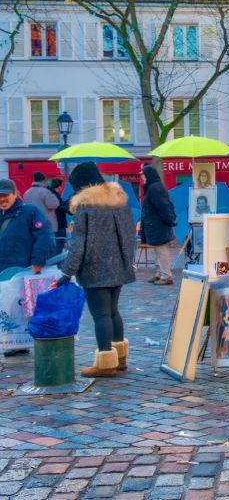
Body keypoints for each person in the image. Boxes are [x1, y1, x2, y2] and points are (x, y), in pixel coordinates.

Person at [57, 162, 136, 378]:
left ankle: (105, 363)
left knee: (101, 315)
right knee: (113, 312)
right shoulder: (121, 204)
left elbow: (78, 245)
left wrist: (66, 273)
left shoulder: (86, 208)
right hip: (118, 266)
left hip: (94, 268)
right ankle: (120, 359)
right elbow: (130, 238)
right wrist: (127, 262)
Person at [0, 178, 54, 358]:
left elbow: (43, 236)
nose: (2, 199)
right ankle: (12, 342)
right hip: (3, 268)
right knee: (6, 307)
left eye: (5, 195)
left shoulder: (30, 212)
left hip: (23, 268)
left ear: (15, 194)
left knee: (23, 307)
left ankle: (22, 342)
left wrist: (38, 261)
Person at [140, 165, 177, 285]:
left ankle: (166, 276)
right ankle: (160, 274)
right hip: (155, 225)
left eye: (144, 175)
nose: (143, 178)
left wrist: (169, 220)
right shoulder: (153, 187)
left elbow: (163, 207)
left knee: (161, 250)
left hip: (158, 225)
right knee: (158, 250)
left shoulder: (155, 188)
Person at [23, 172, 60, 236]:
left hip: (32, 224)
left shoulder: (27, 192)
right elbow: (53, 205)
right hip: (46, 224)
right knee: (49, 244)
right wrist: (53, 194)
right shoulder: (45, 192)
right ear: (43, 181)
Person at [46, 178, 68, 254]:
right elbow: (59, 208)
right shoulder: (54, 196)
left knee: (59, 243)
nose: (61, 188)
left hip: (58, 223)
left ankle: (58, 262)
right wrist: (67, 207)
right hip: (59, 223)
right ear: (57, 187)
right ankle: (58, 263)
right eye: (61, 186)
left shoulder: (53, 195)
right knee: (60, 243)